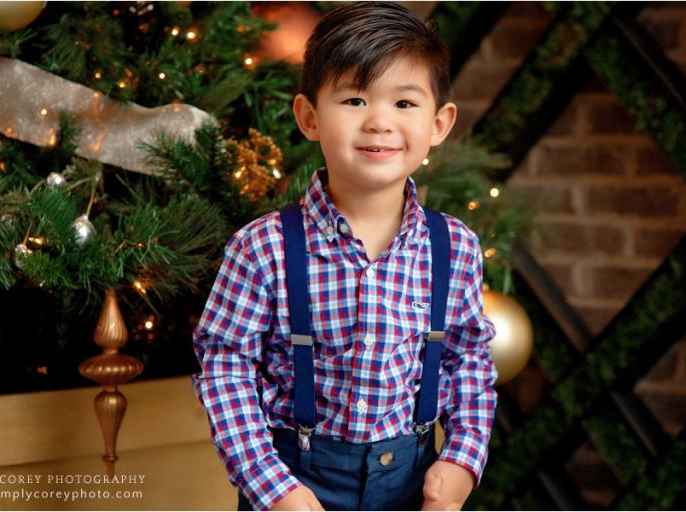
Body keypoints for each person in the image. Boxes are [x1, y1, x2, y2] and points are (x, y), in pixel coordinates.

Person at [191, 2, 498, 510]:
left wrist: (462, 459)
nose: (379, 122)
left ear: (439, 124)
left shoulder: (455, 247)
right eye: (354, 100)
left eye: (404, 104)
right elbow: (226, 369)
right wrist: (273, 487)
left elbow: (468, 360)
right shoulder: (262, 247)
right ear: (309, 117)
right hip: (295, 483)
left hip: (412, 482)